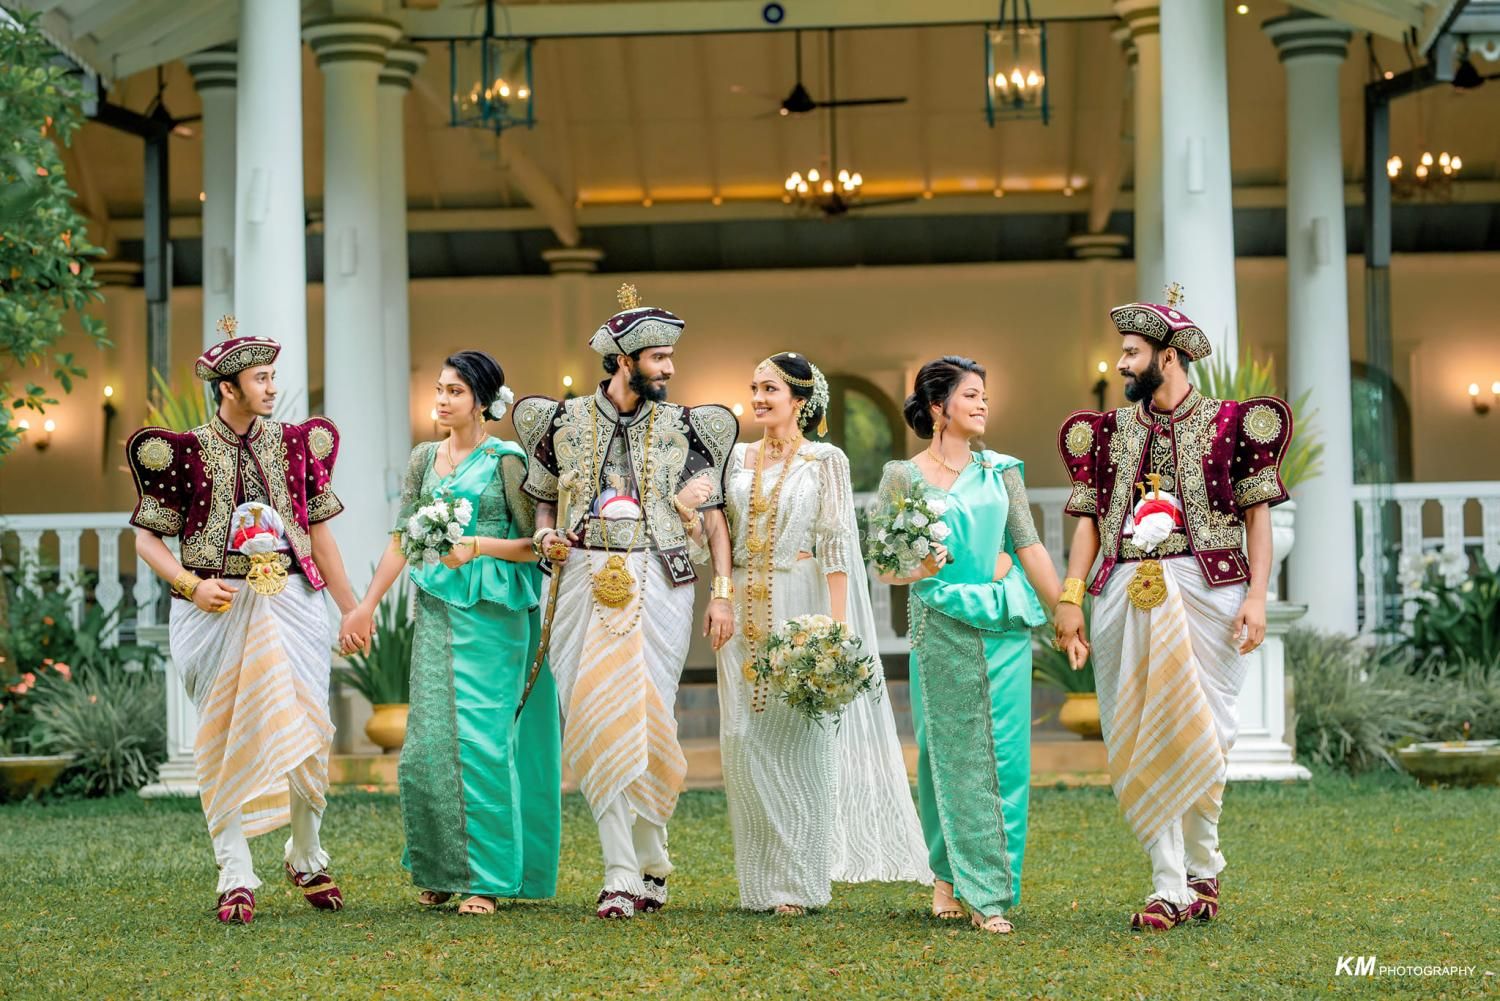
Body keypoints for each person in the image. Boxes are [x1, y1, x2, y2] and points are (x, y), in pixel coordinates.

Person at [1053, 288, 1291, 931]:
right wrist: (1070, 598)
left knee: (1206, 732)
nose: (1121, 363)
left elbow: (1258, 520)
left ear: (1169, 356)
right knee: (1138, 731)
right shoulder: (1106, 432)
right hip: (1123, 589)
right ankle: (1168, 884)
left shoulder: (1233, 423)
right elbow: (1088, 524)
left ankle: (1202, 866)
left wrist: (1258, 596)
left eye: (1132, 353)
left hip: (1210, 590)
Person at [512, 283, 739, 919]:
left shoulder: (690, 426)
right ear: (622, 361)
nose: (669, 369)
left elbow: (715, 519)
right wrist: (544, 535)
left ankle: (650, 849)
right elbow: (544, 498)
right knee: (593, 714)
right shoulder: (558, 422)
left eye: (670, 357)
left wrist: (722, 594)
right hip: (580, 577)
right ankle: (619, 872)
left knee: (649, 714)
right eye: (659, 358)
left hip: (662, 579)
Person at [126, 318, 360, 925]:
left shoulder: (297, 444)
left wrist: (351, 607)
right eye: (261, 378)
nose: (272, 387)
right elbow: (147, 541)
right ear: (228, 388)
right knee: (223, 733)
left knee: (310, 726)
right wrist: (191, 585)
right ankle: (234, 870)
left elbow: (320, 537)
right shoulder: (183, 453)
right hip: (214, 604)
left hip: (293, 600)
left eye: (273, 376)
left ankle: (305, 853)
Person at [343, 351, 561, 916]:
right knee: (428, 745)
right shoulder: (423, 458)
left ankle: (487, 879)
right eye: (439, 389)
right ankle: (442, 867)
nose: (442, 400)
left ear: (483, 401)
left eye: (455, 391)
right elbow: (403, 537)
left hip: (495, 615)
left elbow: (535, 545)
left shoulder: (508, 461)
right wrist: (366, 605)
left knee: (483, 744)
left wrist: (477, 546)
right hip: (437, 611)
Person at [715, 352, 929, 915]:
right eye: (755, 387)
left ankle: (799, 883)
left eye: (770, 389)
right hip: (742, 604)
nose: (758, 398)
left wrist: (834, 630)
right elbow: (719, 532)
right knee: (742, 738)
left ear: (801, 401)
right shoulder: (736, 458)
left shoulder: (825, 459)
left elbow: (835, 543)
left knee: (798, 739)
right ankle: (759, 884)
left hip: (798, 600)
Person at [872, 356, 1061, 934]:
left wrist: (1066, 612)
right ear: (939, 407)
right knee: (946, 755)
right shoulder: (903, 477)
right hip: (940, 625)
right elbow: (884, 566)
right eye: (971, 395)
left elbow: (1029, 547)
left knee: (1006, 757)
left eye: (984, 394)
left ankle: (991, 892)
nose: (983, 403)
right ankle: (947, 877)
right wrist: (921, 566)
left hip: (1003, 621)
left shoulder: (1002, 471)